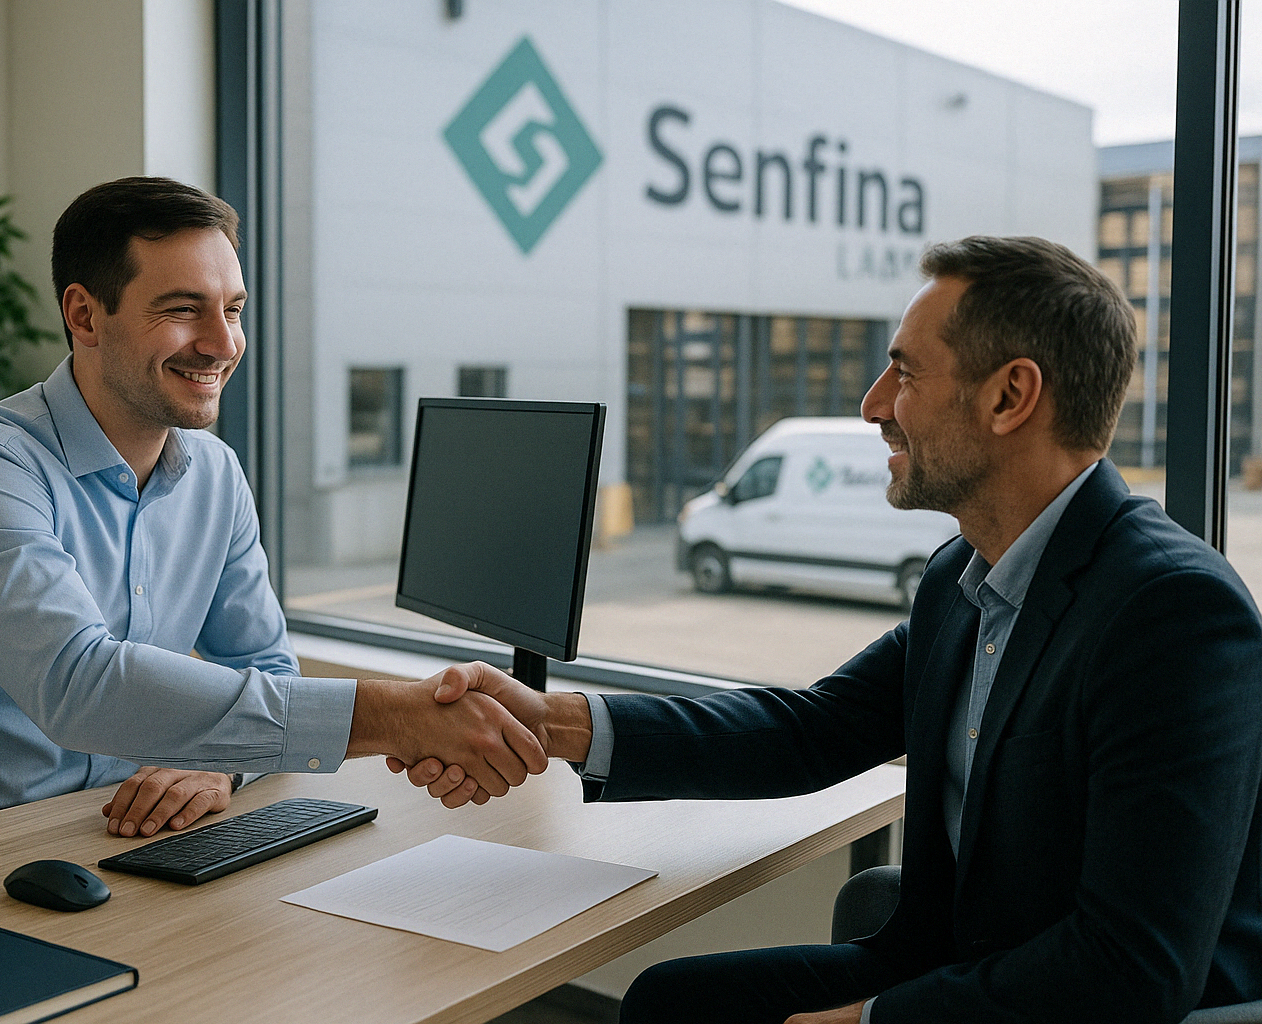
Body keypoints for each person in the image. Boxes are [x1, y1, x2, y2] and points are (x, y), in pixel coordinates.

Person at [397, 236, 1262, 1023]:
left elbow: (1131, 968)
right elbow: (811, 728)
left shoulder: (1172, 615)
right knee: (672, 1001)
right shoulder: (962, 579)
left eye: (905, 374)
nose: (873, 404)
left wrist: (866, 1023)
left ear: (1011, 396)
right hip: (950, 962)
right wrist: (549, 725)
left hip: (1083, 1006)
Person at [0, 177, 544, 839]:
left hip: (102, 828)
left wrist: (222, 763)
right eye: (182, 310)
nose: (223, 343)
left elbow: (269, 665)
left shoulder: (215, 474)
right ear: (85, 315)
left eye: (232, 310)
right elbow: (82, 686)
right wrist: (392, 716)